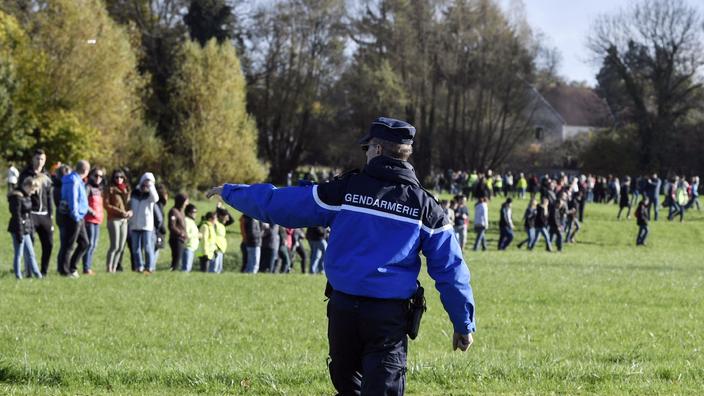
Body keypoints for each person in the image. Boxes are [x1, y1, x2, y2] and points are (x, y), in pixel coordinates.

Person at [206, 116, 475, 394]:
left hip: (343, 313)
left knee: (348, 388)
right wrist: (463, 323)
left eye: (366, 148)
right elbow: (451, 271)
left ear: (377, 150)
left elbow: (282, 204)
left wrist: (232, 193)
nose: (365, 154)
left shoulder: (345, 190)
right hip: (388, 319)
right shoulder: (426, 208)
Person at [18, 149, 54, 276]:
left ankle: (43, 270)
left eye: (42, 159)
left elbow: (49, 196)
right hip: (31, 213)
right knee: (30, 244)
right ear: (33, 159)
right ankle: (29, 270)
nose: (39, 162)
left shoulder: (46, 175)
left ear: (45, 161)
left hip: (44, 215)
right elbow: (20, 193)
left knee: (49, 244)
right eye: (37, 159)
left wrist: (51, 214)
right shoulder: (25, 174)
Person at [56, 160, 90, 278]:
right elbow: (73, 199)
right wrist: (75, 215)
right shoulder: (73, 181)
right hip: (74, 217)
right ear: (85, 170)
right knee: (69, 245)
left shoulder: (76, 180)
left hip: (79, 217)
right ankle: (64, 271)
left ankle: (72, 267)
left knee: (84, 243)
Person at [7, 176, 43, 279]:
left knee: (31, 253)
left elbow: (28, 212)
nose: (33, 192)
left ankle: (38, 275)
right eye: (32, 189)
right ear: (27, 186)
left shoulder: (26, 195)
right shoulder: (17, 197)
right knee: (19, 253)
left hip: (26, 227)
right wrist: (19, 232)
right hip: (18, 227)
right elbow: (17, 215)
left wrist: (29, 228)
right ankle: (18, 276)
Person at [129, 172, 159, 273]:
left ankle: (149, 267)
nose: (147, 183)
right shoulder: (135, 192)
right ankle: (139, 266)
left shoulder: (150, 195)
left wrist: (151, 186)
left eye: (150, 182)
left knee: (147, 247)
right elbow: (130, 204)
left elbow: (156, 198)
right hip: (135, 224)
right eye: (146, 181)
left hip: (147, 224)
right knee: (135, 248)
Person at [104, 169, 132, 273]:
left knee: (121, 247)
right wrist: (120, 212)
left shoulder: (127, 189)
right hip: (113, 219)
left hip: (124, 220)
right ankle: (109, 268)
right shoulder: (110, 189)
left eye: (121, 177)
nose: (119, 179)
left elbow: (129, 205)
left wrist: (130, 212)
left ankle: (114, 268)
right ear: (113, 178)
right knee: (114, 245)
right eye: (116, 177)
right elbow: (106, 205)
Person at [82, 167, 105, 275]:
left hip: (97, 220)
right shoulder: (88, 187)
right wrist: (91, 211)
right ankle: (86, 267)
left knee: (94, 244)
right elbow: (83, 202)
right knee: (90, 244)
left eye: (100, 176)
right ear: (91, 175)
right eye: (96, 175)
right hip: (89, 219)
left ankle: (89, 266)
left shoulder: (99, 188)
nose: (98, 178)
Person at [168, 193, 188, 271]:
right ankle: (173, 272)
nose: (187, 204)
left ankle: (173, 271)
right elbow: (171, 226)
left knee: (178, 258)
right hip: (176, 239)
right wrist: (181, 233)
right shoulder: (173, 211)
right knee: (176, 258)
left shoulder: (181, 212)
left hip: (181, 239)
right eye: (186, 201)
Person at [182, 204, 200, 272]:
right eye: (194, 212)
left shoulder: (192, 221)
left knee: (188, 269)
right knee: (186, 269)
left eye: (196, 212)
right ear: (189, 212)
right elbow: (186, 234)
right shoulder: (186, 221)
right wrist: (197, 235)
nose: (195, 214)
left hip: (192, 248)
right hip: (188, 247)